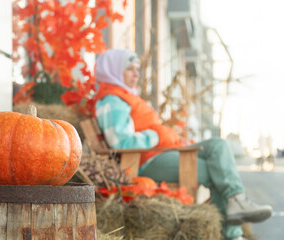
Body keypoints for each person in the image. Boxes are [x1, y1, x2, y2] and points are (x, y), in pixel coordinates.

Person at [93, 49, 272, 240]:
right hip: (146, 162)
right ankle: (232, 234)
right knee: (216, 170)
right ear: (112, 70)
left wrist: (171, 139)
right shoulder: (112, 100)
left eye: (138, 69)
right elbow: (121, 142)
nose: (136, 74)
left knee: (218, 145)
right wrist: (157, 135)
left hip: (160, 153)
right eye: (130, 69)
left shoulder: (126, 96)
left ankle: (237, 199)